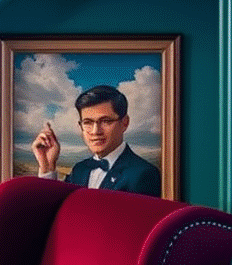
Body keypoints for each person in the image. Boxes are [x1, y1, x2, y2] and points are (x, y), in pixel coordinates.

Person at [31, 84, 161, 196]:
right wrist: (47, 166)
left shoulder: (144, 174)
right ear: (80, 125)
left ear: (125, 123)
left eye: (105, 121)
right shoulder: (79, 169)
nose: (95, 131)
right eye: (87, 122)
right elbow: (56, 212)